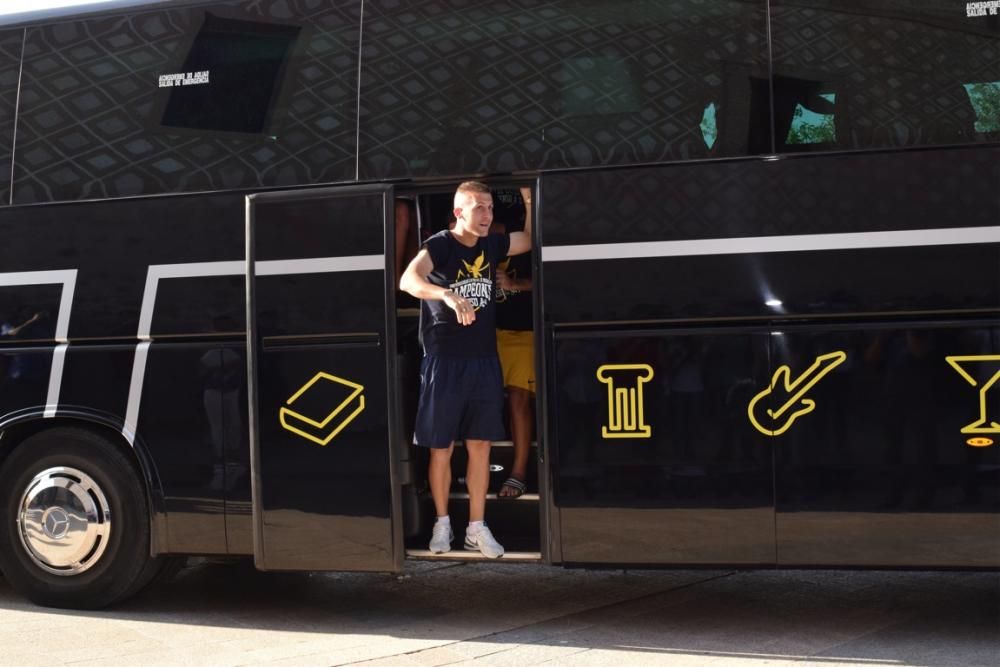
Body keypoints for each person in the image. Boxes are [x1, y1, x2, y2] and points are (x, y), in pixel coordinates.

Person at [399, 181, 532, 557]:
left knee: (481, 446)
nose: (487, 215)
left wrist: (527, 200)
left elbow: (529, 241)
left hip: (483, 361)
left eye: (490, 208)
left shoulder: (491, 245)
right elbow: (408, 280)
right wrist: (446, 293)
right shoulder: (441, 243)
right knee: (441, 448)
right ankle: (442, 525)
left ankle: (476, 527)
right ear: (459, 212)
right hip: (444, 359)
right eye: (479, 208)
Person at [491, 189, 535, 498]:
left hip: (525, 332)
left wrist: (514, 283)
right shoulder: (480, 242)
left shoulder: (527, 239)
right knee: (485, 401)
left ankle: (518, 472)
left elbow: (552, 276)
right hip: (487, 333)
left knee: (519, 400)